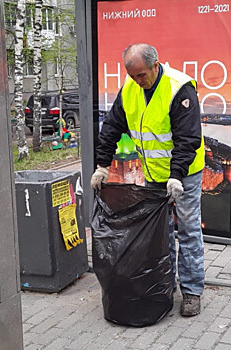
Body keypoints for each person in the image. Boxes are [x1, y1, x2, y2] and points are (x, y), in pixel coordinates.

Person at [91, 43, 205, 317]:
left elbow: (187, 138)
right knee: (159, 234)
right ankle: (164, 285)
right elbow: (112, 127)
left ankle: (191, 291)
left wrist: (176, 175)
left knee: (188, 231)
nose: (137, 81)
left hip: (184, 175)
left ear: (156, 65)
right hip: (154, 176)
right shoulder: (130, 89)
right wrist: (102, 166)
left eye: (141, 75)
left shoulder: (179, 88)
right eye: (132, 76)